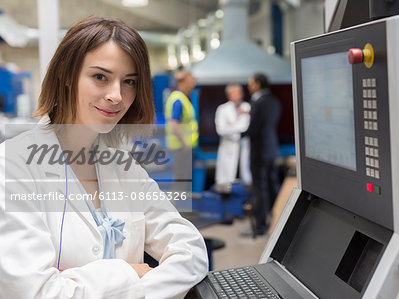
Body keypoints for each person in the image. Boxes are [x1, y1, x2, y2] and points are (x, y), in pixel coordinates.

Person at [0, 16, 208, 299]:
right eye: (100, 77)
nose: (117, 96)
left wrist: (135, 289)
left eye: (129, 81)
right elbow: (36, 293)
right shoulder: (11, 166)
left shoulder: (125, 169)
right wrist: (127, 271)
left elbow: (192, 251)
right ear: (65, 75)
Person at [244, 73, 281, 236]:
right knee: (273, 185)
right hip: (272, 149)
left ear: (258, 84)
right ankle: (278, 220)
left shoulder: (257, 102)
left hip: (258, 151)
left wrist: (239, 133)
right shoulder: (275, 101)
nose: (249, 86)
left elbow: (254, 129)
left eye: (251, 83)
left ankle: (261, 225)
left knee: (259, 188)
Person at [164, 70, 198, 195]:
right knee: (181, 180)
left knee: (183, 179)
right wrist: (184, 143)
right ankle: (177, 210)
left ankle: (180, 208)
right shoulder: (178, 99)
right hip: (181, 147)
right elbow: (174, 124)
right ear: (183, 82)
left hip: (183, 146)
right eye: (191, 80)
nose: (193, 84)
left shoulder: (182, 98)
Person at [215, 84, 252, 186]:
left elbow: (247, 127)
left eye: (239, 92)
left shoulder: (247, 107)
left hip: (244, 148)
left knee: (246, 178)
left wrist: (231, 126)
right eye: (233, 93)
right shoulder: (222, 109)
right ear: (229, 95)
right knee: (227, 181)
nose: (237, 95)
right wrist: (239, 128)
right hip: (228, 149)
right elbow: (221, 130)